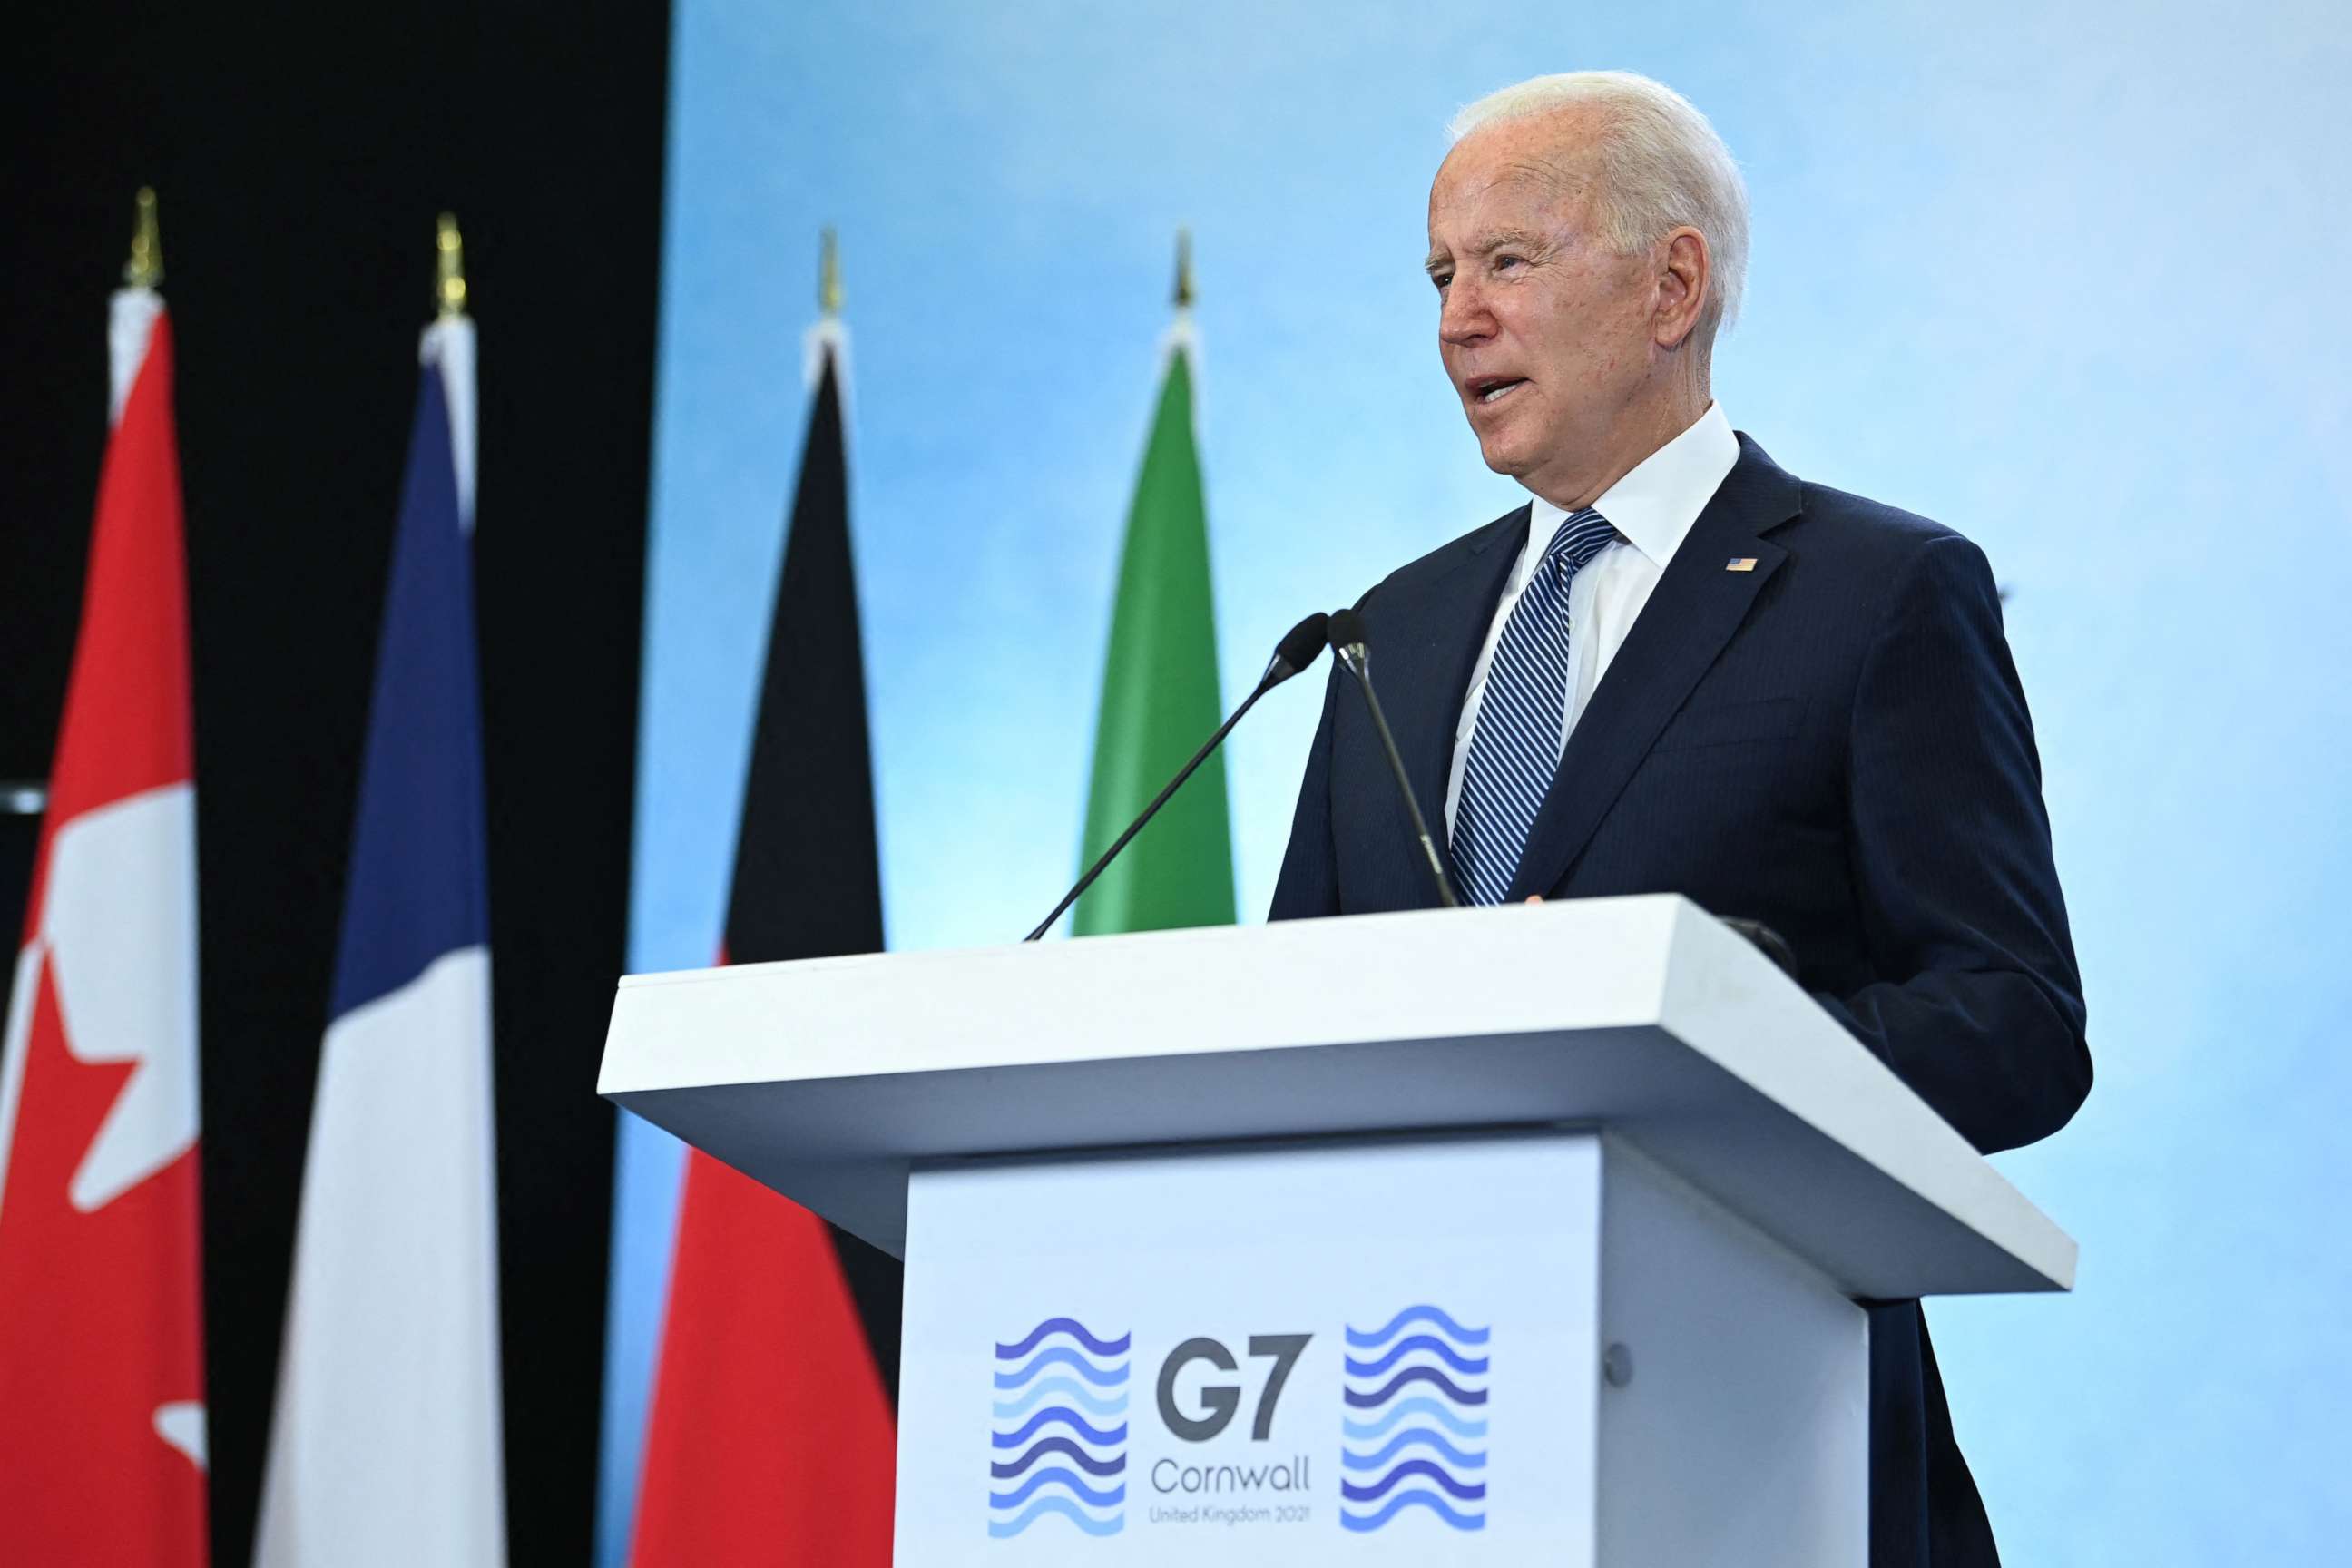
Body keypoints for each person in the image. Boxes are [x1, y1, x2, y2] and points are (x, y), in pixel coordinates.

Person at [1269, 70, 2091, 1567]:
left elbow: (2014, 1026)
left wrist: (1707, 1046)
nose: (1458, 317)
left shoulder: (1875, 593)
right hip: (1393, 1440)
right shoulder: (1387, 627)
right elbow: (1284, 1019)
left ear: (1673, 284)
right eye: (1444, 274)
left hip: (1757, 1447)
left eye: (1509, 261)